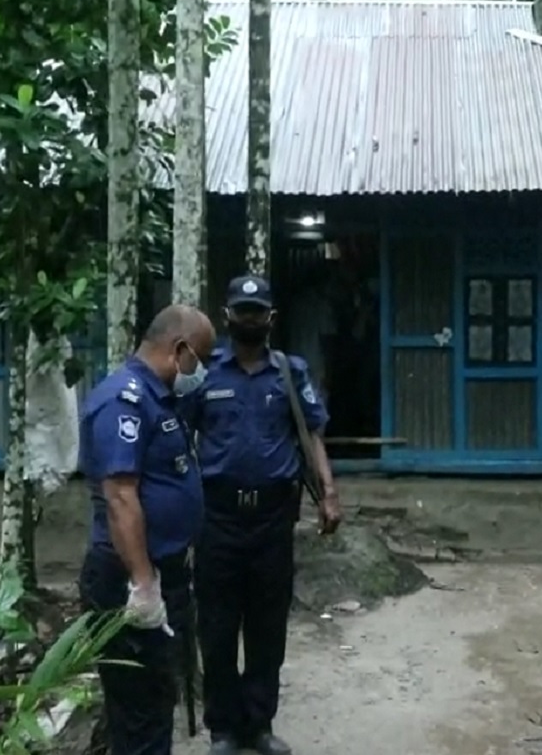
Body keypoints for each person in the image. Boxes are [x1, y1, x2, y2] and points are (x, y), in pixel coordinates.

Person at [182, 275, 343, 755]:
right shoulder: (204, 374)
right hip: (217, 517)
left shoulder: (290, 373)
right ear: (227, 316)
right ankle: (223, 729)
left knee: (267, 627)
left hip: (273, 519)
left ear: (271, 318)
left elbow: (312, 434)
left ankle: (259, 725)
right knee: (217, 627)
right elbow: (179, 436)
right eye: (242, 311)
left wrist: (329, 494)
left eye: (257, 312)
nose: (249, 319)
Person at [77, 305, 217, 755]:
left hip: (163, 574)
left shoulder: (160, 397)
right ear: (180, 350)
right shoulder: (124, 401)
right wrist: (143, 584)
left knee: (156, 701)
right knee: (139, 710)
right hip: (129, 580)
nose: (202, 371)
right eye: (200, 359)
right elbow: (120, 496)